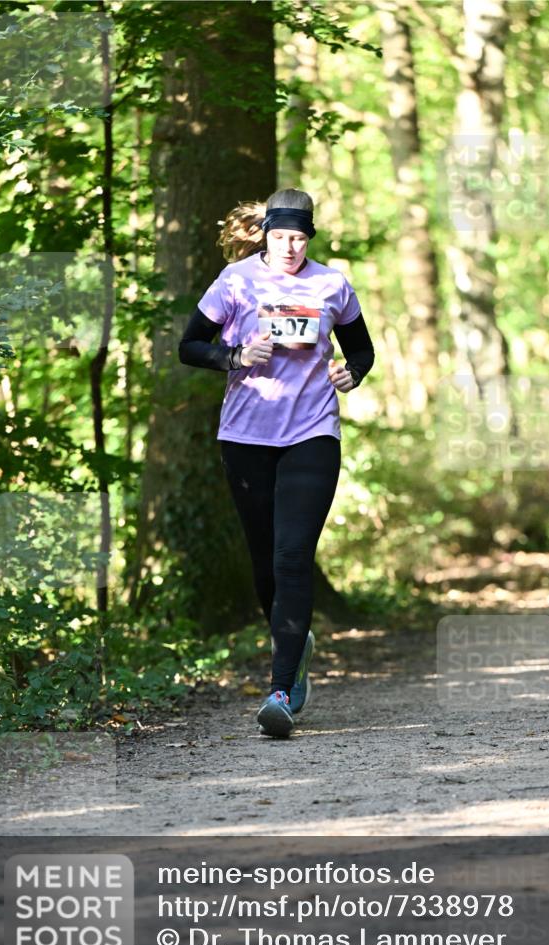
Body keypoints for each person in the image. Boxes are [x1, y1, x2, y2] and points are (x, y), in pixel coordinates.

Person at [178, 189, 374, 735]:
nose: (290, 247)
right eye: (282, 236)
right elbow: (189, 345)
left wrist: (351, 374)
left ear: (311, 237)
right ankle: (296, 644)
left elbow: (362, 349)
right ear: (265, 234)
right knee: (265, 563)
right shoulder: (236, 281)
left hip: (313, 434)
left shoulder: (331, 284)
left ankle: (282, 690)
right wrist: (235, 356)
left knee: (292, 557)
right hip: (245, 437)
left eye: (300, 238)